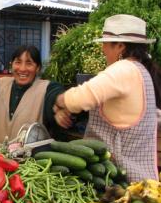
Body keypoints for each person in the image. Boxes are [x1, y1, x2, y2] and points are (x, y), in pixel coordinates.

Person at [54, 14, 161, 182]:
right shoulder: (142, 71)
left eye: (104, 43)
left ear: (119, 46)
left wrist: (58, 102)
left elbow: (81, 97)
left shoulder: (124, 69)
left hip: (120, 182)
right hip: (141, 181)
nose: (103, 49)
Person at [0, 45, 65, 143]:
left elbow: (56, 95)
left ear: (38, 68)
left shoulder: (46, 88)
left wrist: (61, 103)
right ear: (11, 65)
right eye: (18, 62)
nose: (22, 68)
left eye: (29, 63)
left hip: (27, 157)